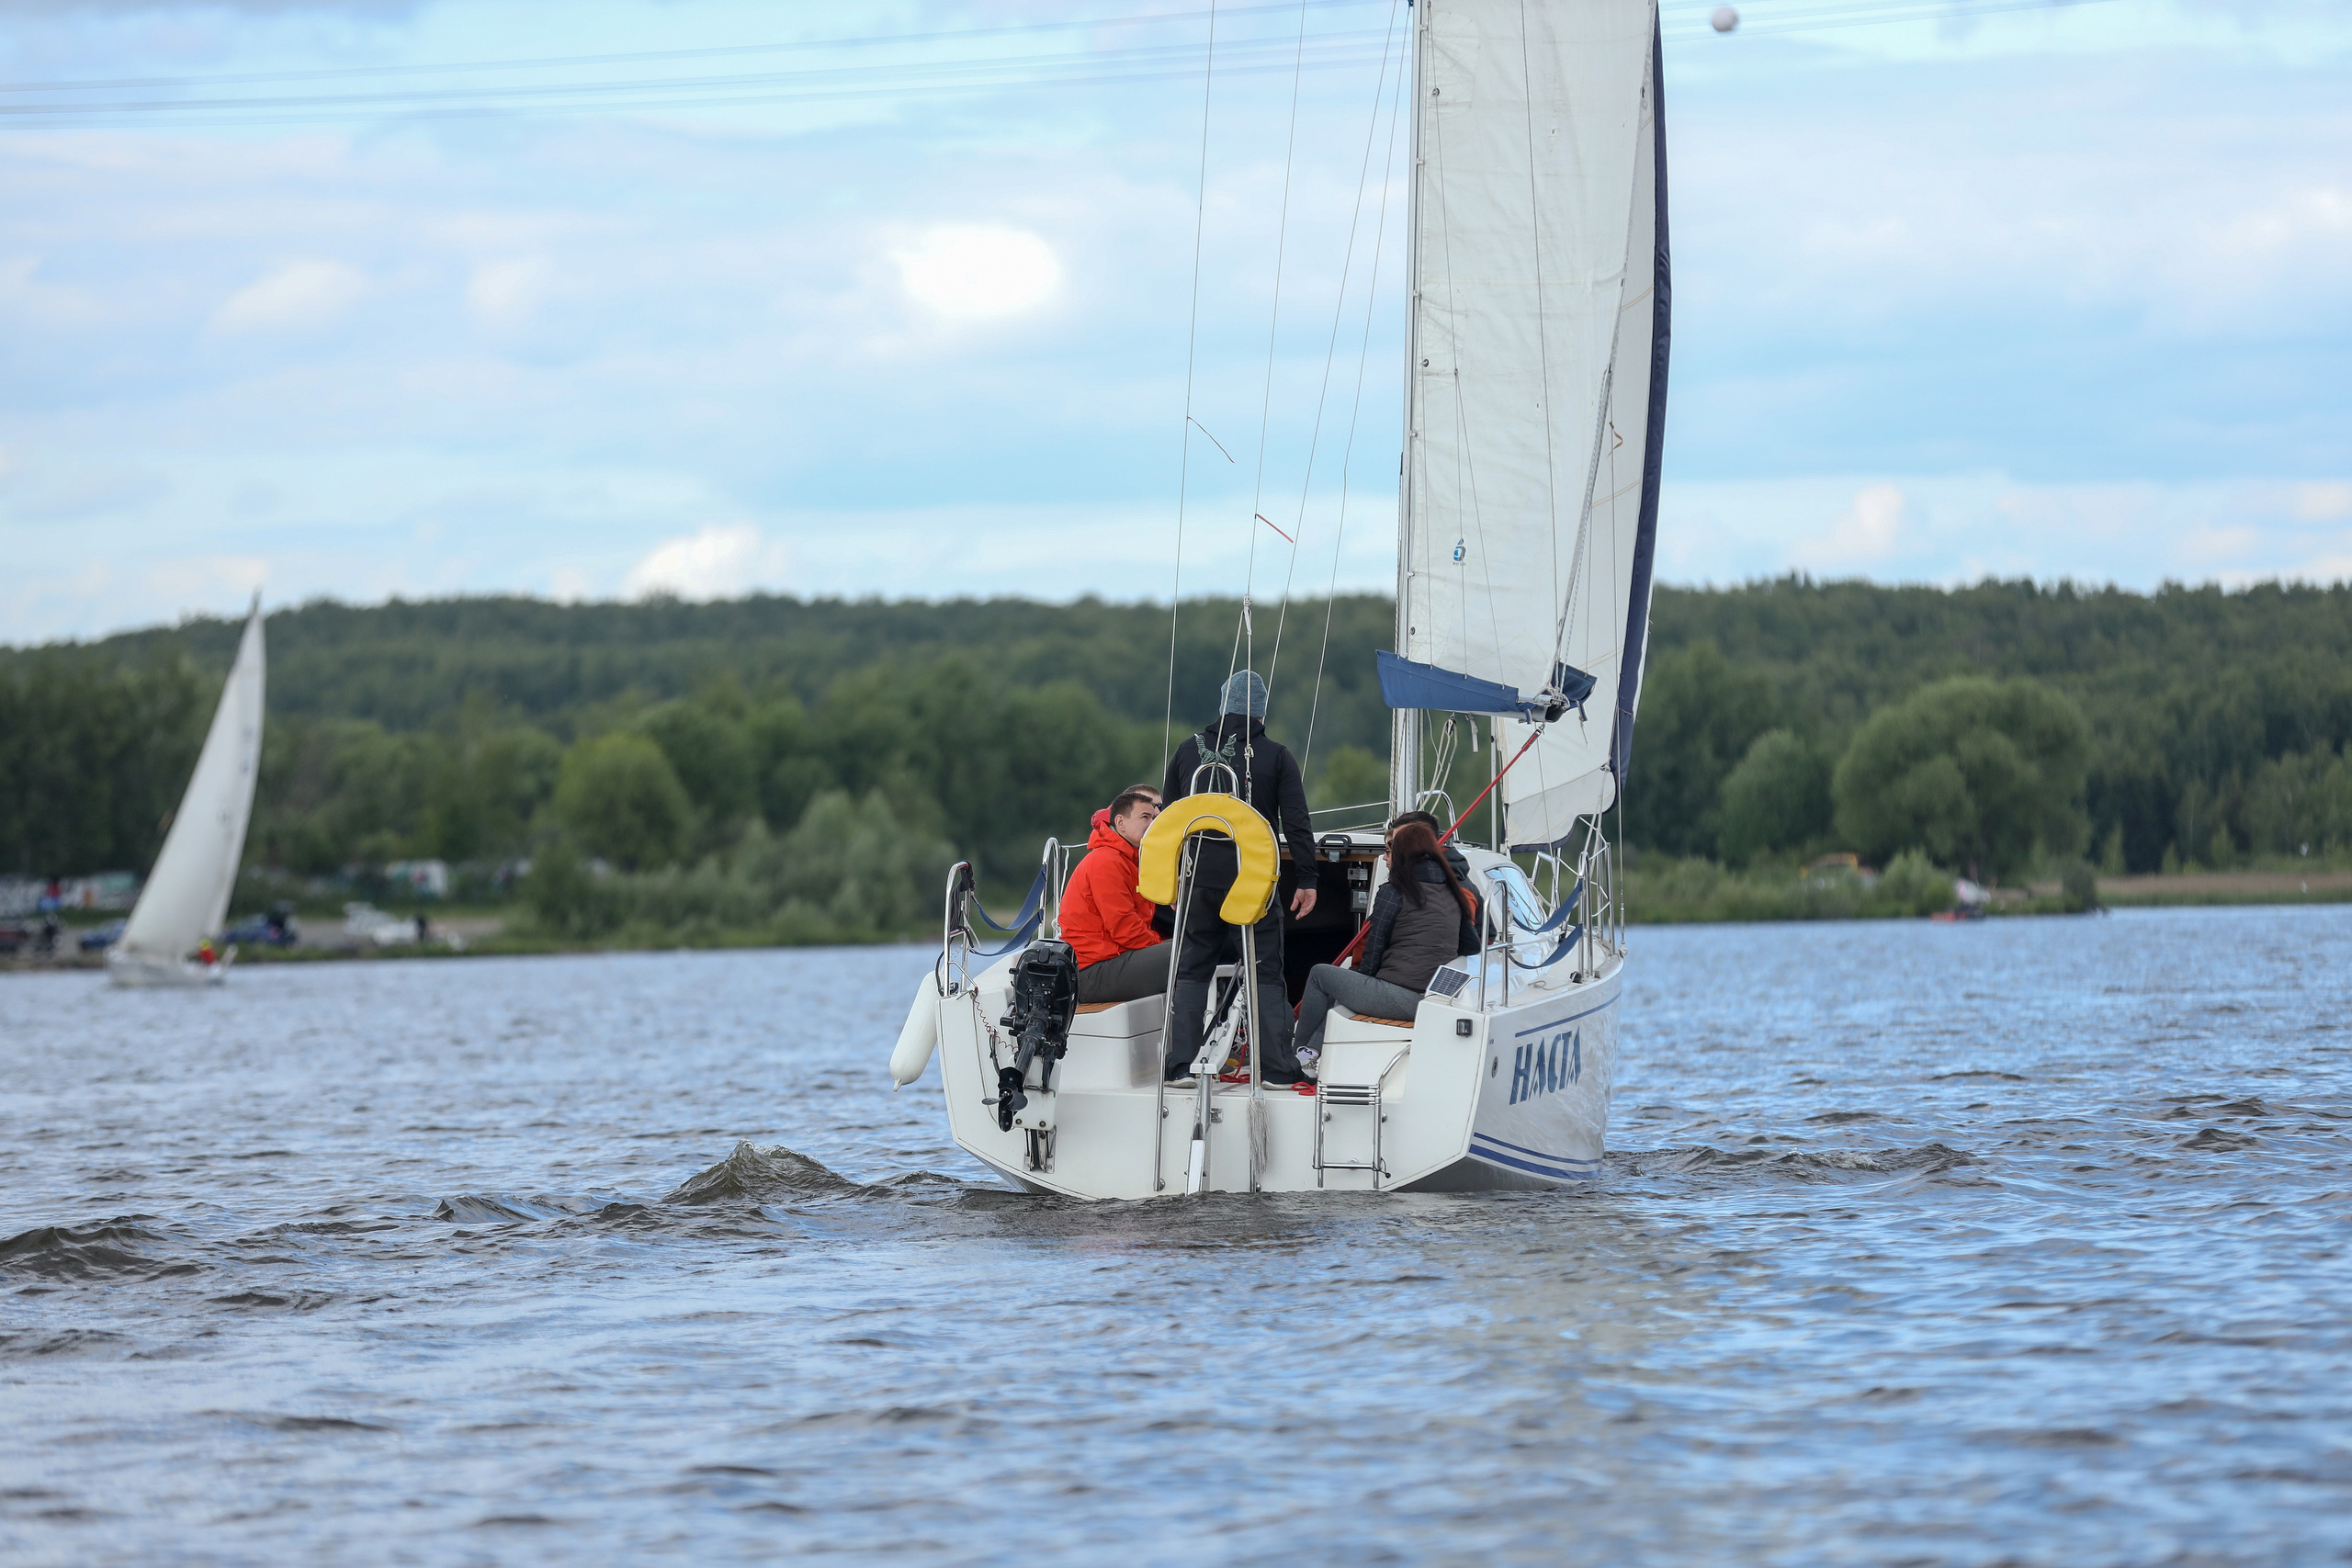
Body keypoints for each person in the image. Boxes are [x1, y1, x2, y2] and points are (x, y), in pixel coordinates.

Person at [1159, 671, 1318, 1086]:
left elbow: (1168, 825)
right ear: (1262, 712)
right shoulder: (1277, 756)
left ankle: (1180, 1068)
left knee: (1192, 969)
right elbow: (1296, 822)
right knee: (1264, 970)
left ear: (1223, 704)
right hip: (1252, 877)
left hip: (1196, 877)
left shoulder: (1184, 752)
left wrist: (1171, 879)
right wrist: (1308, 878)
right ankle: (1277, 1069)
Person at [1293, 821, 1480, 1064]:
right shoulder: (1455, 892)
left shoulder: (1395, 891)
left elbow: (1374, 949)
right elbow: (1472, 947)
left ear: (1403, 853)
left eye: (1391, 849)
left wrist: (1361, 978)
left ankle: (1294, 1057)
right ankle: (1311, 1054)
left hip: (1402, 997)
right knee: (1341, 989)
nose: (1385, 857)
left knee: (1321, 975)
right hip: (1433, 998)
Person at [1061, 784, 1172, 1006]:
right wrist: (1161, 944)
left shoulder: (1128, 861)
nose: (1152, 824)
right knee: (1187, 951)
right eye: (1145, 817)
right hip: (1090, 973)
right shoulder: (1107, 862)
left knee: (1188, 947)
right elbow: (1126, 929)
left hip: (1110, 961)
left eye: (1155, 818)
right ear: (1120, 823)